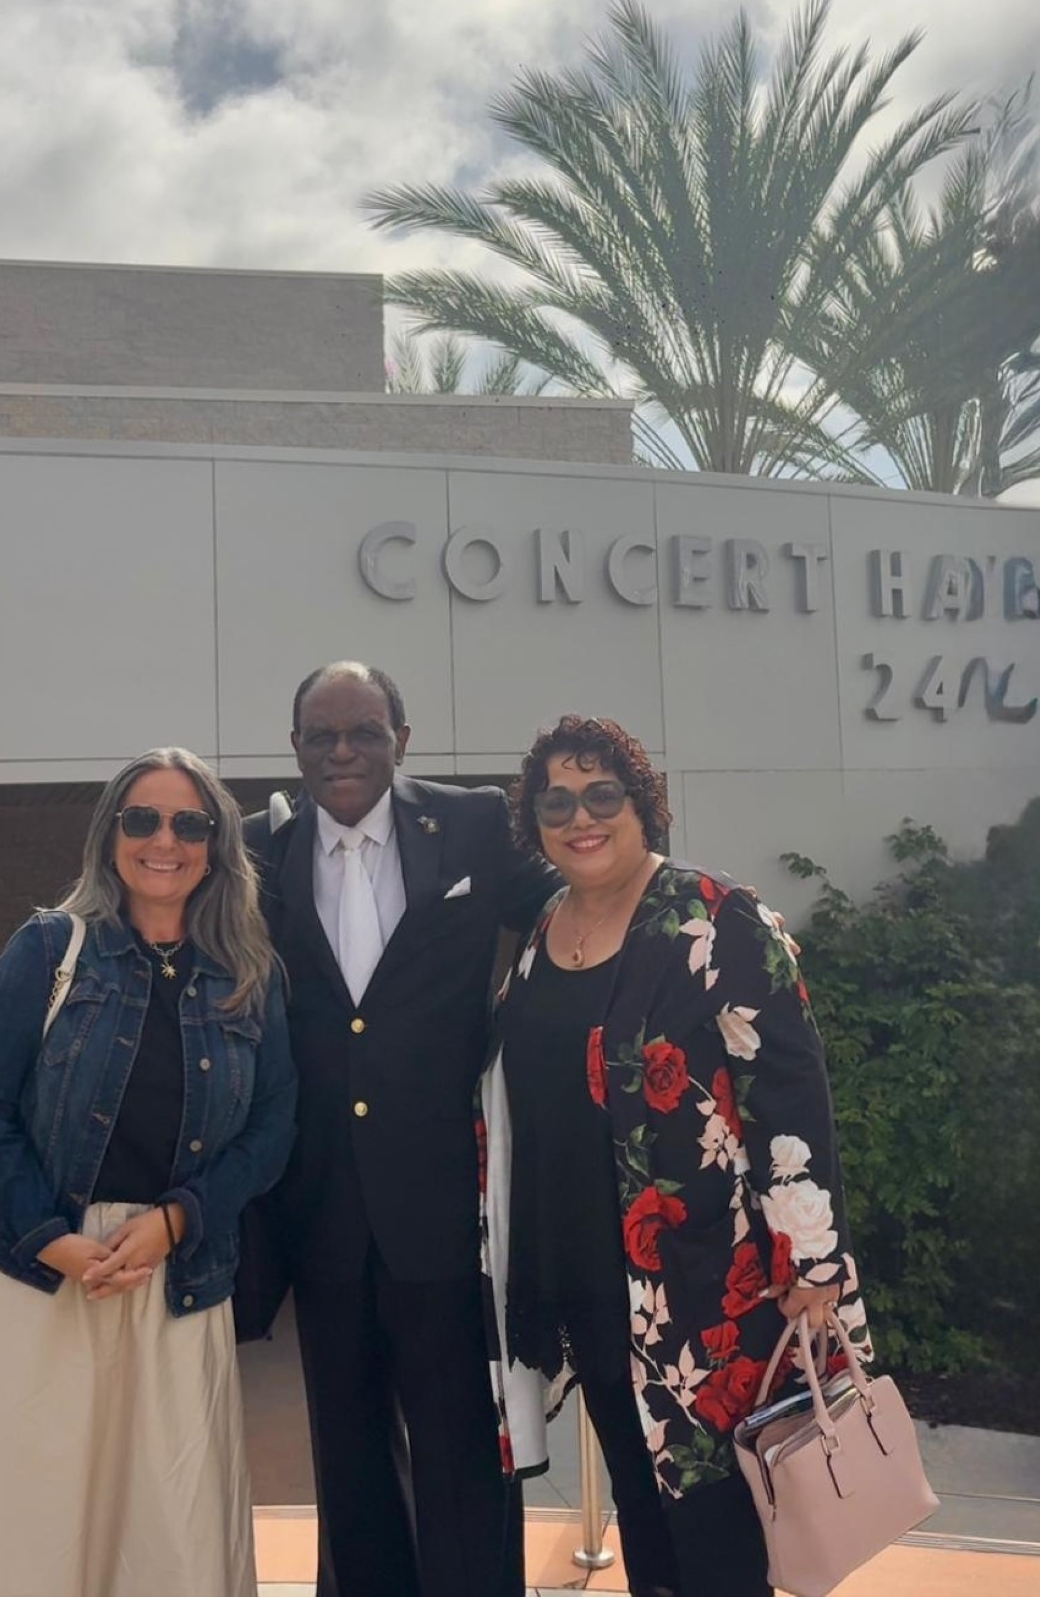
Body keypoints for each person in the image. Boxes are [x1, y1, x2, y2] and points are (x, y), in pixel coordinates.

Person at [0, 747, 296, 1597]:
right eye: (141, 818)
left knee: (168, 1532)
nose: (164, 840)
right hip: (38, 1275)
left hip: (174, 1273)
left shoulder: (249, 973)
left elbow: (270, 1131)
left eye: (190, 823)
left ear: (217, 845)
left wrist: (176, 1219)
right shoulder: (48, 947)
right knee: (41, 1522)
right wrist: (54, 1240)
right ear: (110, 833)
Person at [481, 715, 869, 1597]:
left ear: (641, 802)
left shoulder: (715, 917)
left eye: (601, 794)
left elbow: (789, 1095)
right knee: (645, 1518)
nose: (581, 817)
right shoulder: (544, 928)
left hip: (713, 1291)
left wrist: (813, 1264)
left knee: (719, 1536)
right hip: (593, 1286)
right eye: (555, 802)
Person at [245, 661, 555, 1597]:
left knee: (465, 1453)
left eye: (364, 732)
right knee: (349, 1462)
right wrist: (25, 989)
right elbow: (154, 924)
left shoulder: (471, 824)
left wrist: (696, 924)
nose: (341, 751)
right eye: (321, 735)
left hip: (445, 1208)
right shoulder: (256, 849)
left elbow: (576, 896)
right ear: (294, 745)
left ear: (402, 740)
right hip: (321, 1211)